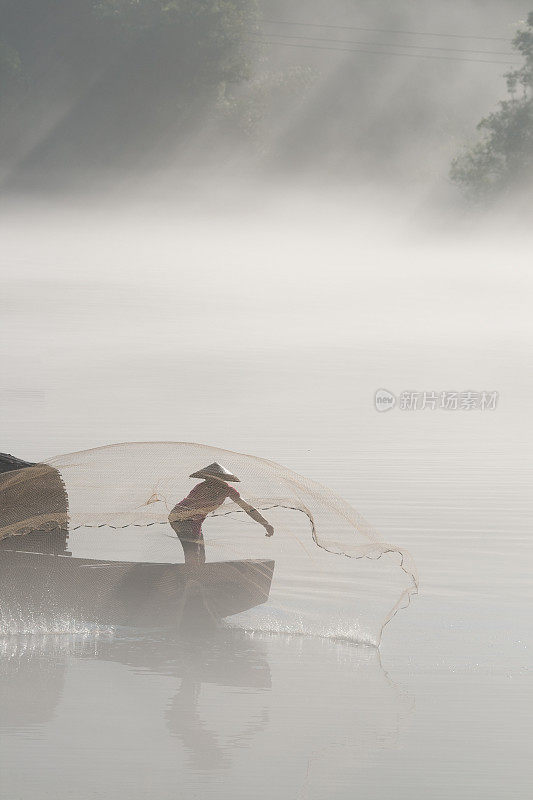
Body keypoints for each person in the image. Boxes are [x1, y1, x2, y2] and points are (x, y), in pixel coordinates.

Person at [168, 462, 274, 565]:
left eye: (212, 479)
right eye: (208, 478)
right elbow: (195, 506)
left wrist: (265, 523)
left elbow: (247, 507)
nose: (209, 481)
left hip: (196, 521)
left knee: (201, 556)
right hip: (179, 518)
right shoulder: (201, 487)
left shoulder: (227, 490)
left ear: (221, 479)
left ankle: (196, 575)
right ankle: (189, 576)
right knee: (192, 553)